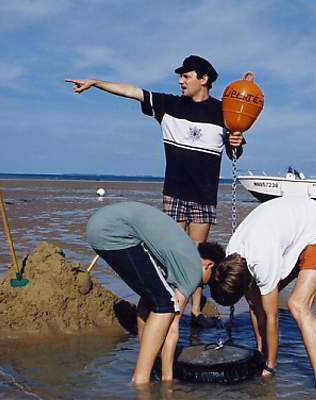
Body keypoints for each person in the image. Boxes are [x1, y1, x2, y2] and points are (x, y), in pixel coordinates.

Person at [66, 55, 244, 328]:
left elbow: (235, 151)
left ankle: (194, 314)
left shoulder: (224, 113)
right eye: (181, 76)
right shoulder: (168, 105)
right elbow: (132, 91)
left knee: (198, 257)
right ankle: (165, 308)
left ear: (204, 78)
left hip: (204, 195)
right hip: (174, 192)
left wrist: (237, 140)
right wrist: (96, 83)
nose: (180, 80)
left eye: (186, 75)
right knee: (167, 255)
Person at [209, 197, 316, 392]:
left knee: (298, 305)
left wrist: (270, 367)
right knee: (256, 303)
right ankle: (262, 353)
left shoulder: (262, 260)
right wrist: (258, 356)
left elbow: (272, 318)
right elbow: (254, 306)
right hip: (294, 236)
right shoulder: (232, 256)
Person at [86, 201, 225, 385]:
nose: (205, 285)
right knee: (166, 305)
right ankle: (141, 379)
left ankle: (146, 368)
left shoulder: (182, 251)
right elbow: (172, 327)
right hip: (116, 233)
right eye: (211, 279)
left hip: (99, 226)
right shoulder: (192, 271)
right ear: (209, 265)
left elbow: (145, 306)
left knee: (153, 300)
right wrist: (168, 379)